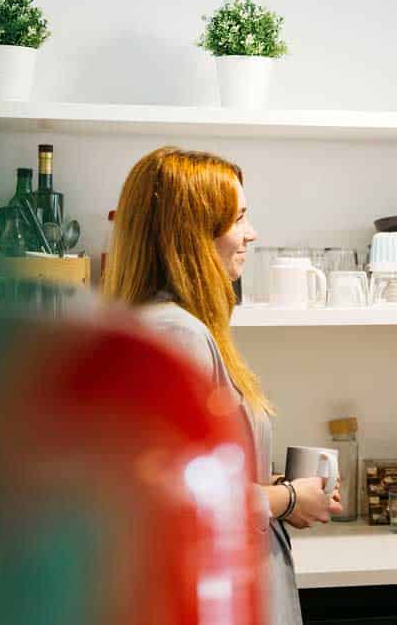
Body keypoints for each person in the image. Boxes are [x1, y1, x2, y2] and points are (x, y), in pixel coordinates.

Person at [103, 146, 341, 624]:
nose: (252, 233)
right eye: (239, 219)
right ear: (191, 235)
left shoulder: (169, 326)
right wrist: (289, 499)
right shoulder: (177, 333)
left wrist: (273, 490)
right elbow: (178, 503)